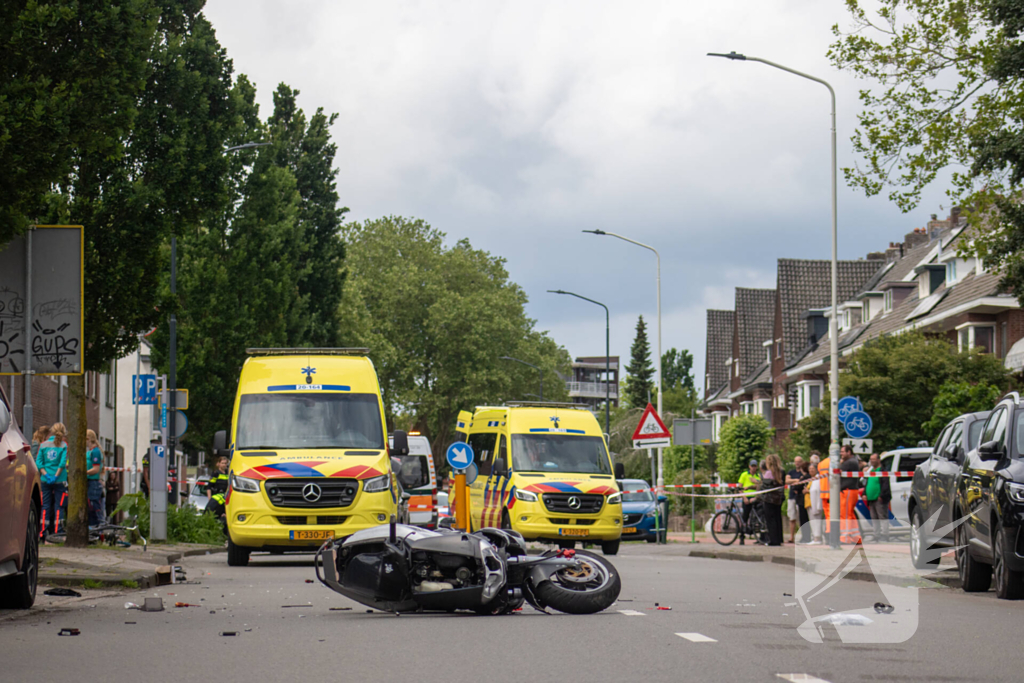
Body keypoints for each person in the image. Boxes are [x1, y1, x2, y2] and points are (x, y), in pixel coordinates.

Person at [38, 423, 68, 538]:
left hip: (45, 480)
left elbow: (39, 463)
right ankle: (57, 532)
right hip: (60, 480)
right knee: (59, 506)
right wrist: (56, 476)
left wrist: (47, 475)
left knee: (45, 506)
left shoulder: (43, 445)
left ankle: (42, 532)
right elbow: (62, 463)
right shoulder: (63, 445)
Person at [863, 452, 892, 542]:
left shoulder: (882, 471)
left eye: (874, 459)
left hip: (880, 498)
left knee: (882, 517)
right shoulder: (870, 471)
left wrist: (882, 495)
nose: (872, 461)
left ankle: (885, 535)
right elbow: (866, 483)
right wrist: (864, 493)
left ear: (878, 460)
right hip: (871, 498)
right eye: (871, 459)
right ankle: (876, 535)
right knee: (874, 518)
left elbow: (885, 484)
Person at [839, 445, 862, 544]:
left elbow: (838, 470)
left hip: (848, 490)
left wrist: (840, 463)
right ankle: (856, 537)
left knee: (845, 515)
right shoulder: (853, 461)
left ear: (849, 452)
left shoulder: (849, 462)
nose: (841, 454)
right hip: (851, 490)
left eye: (843, 452)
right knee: (850, 514)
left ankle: (845, 538)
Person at [761, 454, 786, 546]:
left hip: (769, 499)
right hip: (778, 499)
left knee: (770, 519)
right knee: (777, 518)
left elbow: (764, 486)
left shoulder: (768, 473)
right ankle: (779, 539)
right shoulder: (781, 472)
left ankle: (773, 540)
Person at [786, 456, 811, 543]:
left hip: (801, 499)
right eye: (796, 461)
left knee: (803, 518)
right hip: (792, 497)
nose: (797, 463)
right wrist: (797, 480)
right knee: (792, 517)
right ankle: (791, 537)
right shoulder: (791, 472)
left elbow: (797, 485)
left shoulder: (805, 474)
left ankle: (804, 537)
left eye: (799, 461)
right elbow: (787, 481)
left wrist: (795, 483)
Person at [738, 459, 761, 541]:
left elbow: (760, 486)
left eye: (755, 466)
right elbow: (740, 487)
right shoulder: (744, 475)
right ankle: (742, 536)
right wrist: (744, 498)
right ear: (749, 466)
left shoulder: (758, 476)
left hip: (755, 497)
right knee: (745, 516)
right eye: (752, 466)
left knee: (757, 516)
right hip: (747, 497)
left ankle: (756, 533)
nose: (753, 468)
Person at [85, 429, 105, 526]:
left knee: (94, 506)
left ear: (87, 439)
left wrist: (84, 473)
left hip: (93, 483)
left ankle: (100, 527)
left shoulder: (95, 452)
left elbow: (96, 469)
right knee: (90, 507)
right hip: (89, 482)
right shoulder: (89, 452)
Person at [205, 456, 230, 528]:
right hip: (216, 499)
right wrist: (210, 499)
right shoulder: (216, 473)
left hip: (225, 499)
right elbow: (209, 487)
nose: (224, 465)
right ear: (218, 464)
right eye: (222, 463)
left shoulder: (228, 473)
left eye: (225, 463)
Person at [808, 452, 824, 545]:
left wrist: (818, 505)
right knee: (813, 521)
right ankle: (815, 537)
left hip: (816, 504)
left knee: (816, 521)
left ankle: (817, 538)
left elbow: (817, 491)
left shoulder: (818, 478)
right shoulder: (814, 479)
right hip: (813, 504)